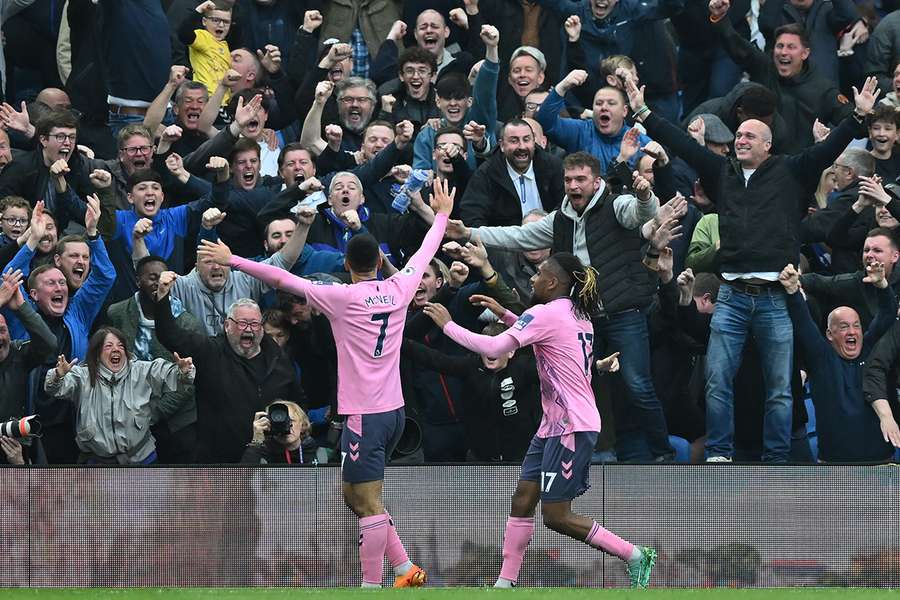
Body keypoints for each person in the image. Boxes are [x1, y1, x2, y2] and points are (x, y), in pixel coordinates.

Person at [195, 177, 458, 588]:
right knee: (352, 495)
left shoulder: (341, 297)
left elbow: (283, 280)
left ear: (347, 265)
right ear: (377, 260)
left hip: (364, 415)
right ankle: (404, 566)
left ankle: (373, 587)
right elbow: (424, 254)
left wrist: (233, 260)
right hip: (393, 411)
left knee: (366, 501)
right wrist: (440, 216)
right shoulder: (400, 287)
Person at [627, 72, 882, 463]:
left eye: (749, 136)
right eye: (738, 135)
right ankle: (718, 454)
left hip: (776, 297)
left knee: (780, 386)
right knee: (716, 380)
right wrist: (644, 112)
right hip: (730, 294)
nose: (740, 140)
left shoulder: (792, 170)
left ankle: (777, 458)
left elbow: (828, 149)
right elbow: (681, 144)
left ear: (768, 144)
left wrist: (857, 118)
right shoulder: (720, 172)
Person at [420, 252, 656, 588]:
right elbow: (543, 333)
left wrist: (447, 325)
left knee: (556, 516)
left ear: (553, 282)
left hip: (572, 425)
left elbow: (493, 346)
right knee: (522, 499)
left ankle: (634, 554)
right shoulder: (576, 313)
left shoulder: (547, 314)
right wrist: (504, 312)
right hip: (553, 425)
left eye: (539, 273)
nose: (532, 279)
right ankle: (505, 583)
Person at [780, 263, 898, 462]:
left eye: (856, 326)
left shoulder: (870, 349)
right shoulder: (821, 357)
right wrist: (792, 292)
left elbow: (887, 313)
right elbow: (803, 322)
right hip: (833, 466)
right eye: (843, 327)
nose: (852, 332)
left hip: (880, 462)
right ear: (829, 334)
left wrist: (882, 286)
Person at [44, 327, 195, 464]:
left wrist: (183, 371)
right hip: (98, 465)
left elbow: (169, 374)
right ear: (97, 353)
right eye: (108, 346)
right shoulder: (82, 375)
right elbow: (54, 388)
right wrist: (58, 375)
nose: (116, 349)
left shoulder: (140, 371)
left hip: (142, 461)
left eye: (120, 345)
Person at [106, 255, 204, 464]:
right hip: (125, 419)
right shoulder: (117, 314)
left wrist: (151, 413)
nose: (159, 283)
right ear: (137, 281)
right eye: (152, 277)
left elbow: (190, 381)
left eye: (163, 277)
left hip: (176, 423)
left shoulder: (188, 324)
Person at [241, 400, 318, 464]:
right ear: (269, 425)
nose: (285, 425)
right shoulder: (265, 451)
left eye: (291, 421)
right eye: (278, 422)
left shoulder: (312, 449)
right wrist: (256, 441)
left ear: (303, 425)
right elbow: (242, 478)